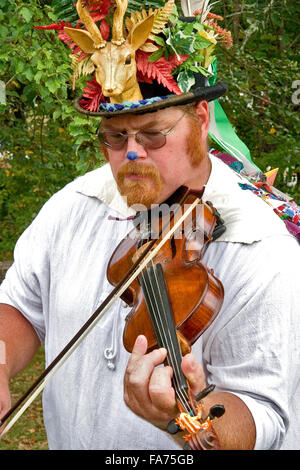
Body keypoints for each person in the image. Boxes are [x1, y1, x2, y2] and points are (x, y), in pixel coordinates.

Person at [0, 0, 299, 451]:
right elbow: (22, 307)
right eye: (116, 137)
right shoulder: (74, 205)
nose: (132, 152)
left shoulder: (261, 247)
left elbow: (262, 411)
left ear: (200, 120)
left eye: (153, 133)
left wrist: (187, 417)